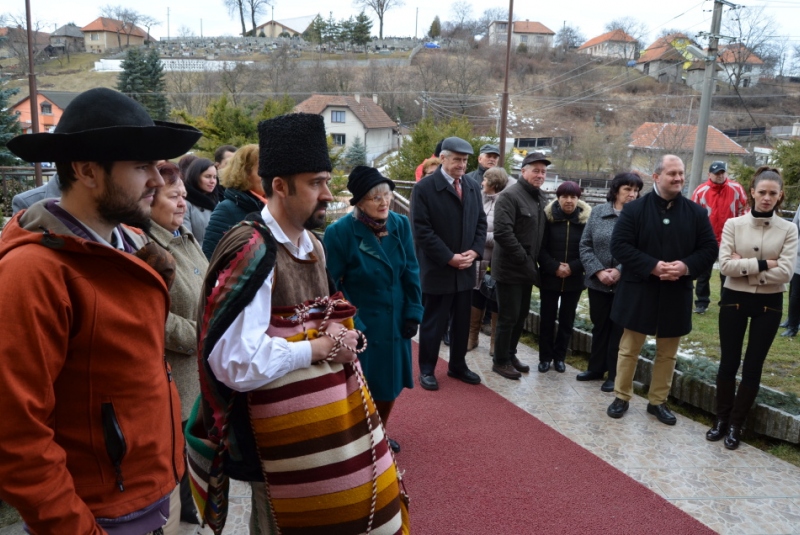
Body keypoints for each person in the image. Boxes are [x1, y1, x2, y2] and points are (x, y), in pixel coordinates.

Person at [0, 87, 200, 533]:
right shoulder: (32, 273)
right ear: (88, 171)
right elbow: (15, 435)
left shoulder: (128, 247)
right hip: (98, 514)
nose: (157, 179)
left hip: (151, 497)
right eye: (140, 166)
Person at [195, 113, 407, 533]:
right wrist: (317, 348)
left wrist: (339, 330)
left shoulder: (312, 243)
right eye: (316, 183)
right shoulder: (251, 248)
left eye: (327, 181)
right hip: (271, 447)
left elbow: (326, 306)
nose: (328, 194)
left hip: (323, 436)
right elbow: (235, 362)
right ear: (279, 185)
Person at [606, 154, 718, 425]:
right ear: (656, 177)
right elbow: (619, 246)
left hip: (676, 292)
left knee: (667, 353)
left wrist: (685, 266)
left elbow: (709, 250)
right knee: (629, 348)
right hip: (639, 289)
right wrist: (652, 265)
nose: (678, 178)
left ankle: (658, 401)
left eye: (681, 173)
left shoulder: (695, 212)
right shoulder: (634, 210)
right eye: (672, 174)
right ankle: (621, 396)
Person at [324, 165, 423, 453]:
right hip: (363, 324)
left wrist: (414, 312)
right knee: (362, 387)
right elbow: (332, 286)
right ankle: (361, 440)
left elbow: (411, 272)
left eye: (387, 195)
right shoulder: (339, 232)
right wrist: (353, 325)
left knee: (390, 386)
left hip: (395, 321)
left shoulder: (399, 225)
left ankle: (379, 433)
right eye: (375, 197)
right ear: (358, 202)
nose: (384, 202)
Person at [706, 167, 797, 449]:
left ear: (780, 195)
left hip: (769, 304)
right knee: (729, 361)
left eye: (773, 193)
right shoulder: (734, 225)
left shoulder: (789, 229)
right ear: (752, 192)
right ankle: (721, 419)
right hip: (734, 299)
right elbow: (725, 266)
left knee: (753, 365)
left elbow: (786, 273)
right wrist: (764, 264)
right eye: (762, 192)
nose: (767, 198)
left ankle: (737, 423)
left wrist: (743, 266)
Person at [147, 161, 209, 525]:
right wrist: (200, 336)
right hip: (177, 369)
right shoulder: (148, 245)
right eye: (174, 196)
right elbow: (151, 314)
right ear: (151, 198)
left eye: (185, 195)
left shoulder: (184, 237)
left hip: (199, 366)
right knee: (178, 449)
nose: (183, 203)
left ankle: (192, 505)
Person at [411, 136, 487, 390]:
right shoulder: (424, 189)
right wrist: (449, 257)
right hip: (438, 269)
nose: (462, 165)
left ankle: (457, 365)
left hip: (465, 268)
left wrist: (474, 252)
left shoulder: (473, 187)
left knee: (462, 322)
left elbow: (480, 223)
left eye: (465, 161)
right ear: (442, 158)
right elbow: (422, 232)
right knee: (434, 322)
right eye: (457, 160)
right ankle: (427, 370)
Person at [578, 172, 643, 392]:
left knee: (619, 330)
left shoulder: (639, 217)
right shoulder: (597, 213)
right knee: (600, 326)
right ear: (616, 190)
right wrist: (597, 271)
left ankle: (614, 375)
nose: (632, 194)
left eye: (636, 190)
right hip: (598, 282)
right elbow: (585, 245)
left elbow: (641, 249)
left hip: (625, 283)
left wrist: (619, 271)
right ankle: (596, 368)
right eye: (628, 189)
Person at [490, 152, 549, 380]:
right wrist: (525, 261)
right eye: (535, 170)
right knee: (508, 316)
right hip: (510, 268)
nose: (540, 175)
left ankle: (510, 353)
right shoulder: (509, 195)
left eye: (543, 172)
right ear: (523, 171)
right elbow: (503, 233)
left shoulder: (540, 197)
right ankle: (500, 361)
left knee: (521, 314)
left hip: (527, 268)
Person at [537, 181, 591, 373]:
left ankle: (559, 357)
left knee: (567, 321)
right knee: (547, 319)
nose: (569, 201)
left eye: (573, 197)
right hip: (550, 278)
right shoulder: (547, 218)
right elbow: (540, 248)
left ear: (578, 199)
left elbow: (588, 250)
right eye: (564, 197)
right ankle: (544, 357)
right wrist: (554, 267)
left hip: (574, 280)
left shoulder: (586, 221)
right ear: (558, 198)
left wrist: (572, 268)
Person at [690, 161, 748, 314]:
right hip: (707, 239)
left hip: (729, 238)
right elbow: (692, 215)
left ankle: (726, 301)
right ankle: (702, 303)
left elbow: (744, 209)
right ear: (709, 175)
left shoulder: (736, 189)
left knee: (727, 272)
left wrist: (739, 230)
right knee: (704, 272)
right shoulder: (700, 191)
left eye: (722, 173)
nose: (720, 176)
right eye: (716, 173)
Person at [468, 167, 510, 354]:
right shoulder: (479, 199)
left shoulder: (505, 203)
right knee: (476, 296)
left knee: (495, 298)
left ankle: (494, 341)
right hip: (479, 257)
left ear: (493, 183)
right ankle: (472, 337)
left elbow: (503, 234)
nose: (481, 182)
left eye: (485, 180)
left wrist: (479, 237)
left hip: (498, 260)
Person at [201, 144, 266, 259]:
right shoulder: (226, 209)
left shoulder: (273, 206)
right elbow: (211, 256)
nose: (267, 175)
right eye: (261, 169)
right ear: (245, 173)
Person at [183, 157, 220, 246]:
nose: (212, 181)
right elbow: (186, 238)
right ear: (195, 176)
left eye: (214, 177)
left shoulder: (217, 201)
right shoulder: (185, 202)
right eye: (207, 176)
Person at [779, 209, 800, 337]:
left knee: (796, 294)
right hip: (797, 257)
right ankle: (791, 320)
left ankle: (793, 327)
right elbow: (795, 225)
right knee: (793, 291)